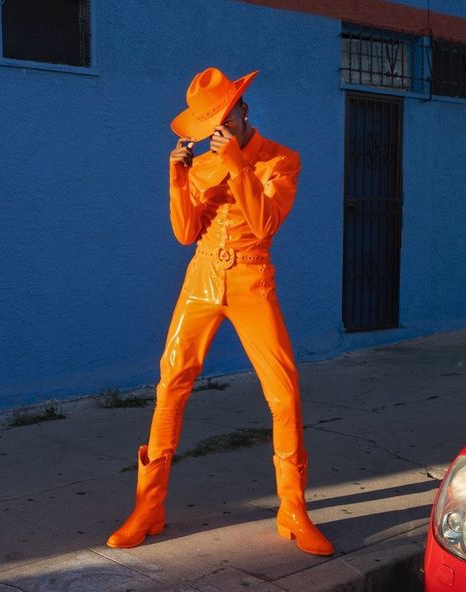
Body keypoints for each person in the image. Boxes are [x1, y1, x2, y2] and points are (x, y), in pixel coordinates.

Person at [106, 66, 334, 556]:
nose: (219, 129)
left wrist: (235, 164)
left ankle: (293, 509)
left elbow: (266, 222)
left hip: (252, 277)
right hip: (202, 279)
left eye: (224, 118)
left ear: (243, 110)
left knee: (283, 391)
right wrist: (176, 176)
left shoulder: (281, 159)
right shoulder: (200, 164)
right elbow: (185, 233)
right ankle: (149, 506)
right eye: (211, 122)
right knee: (171, 383)